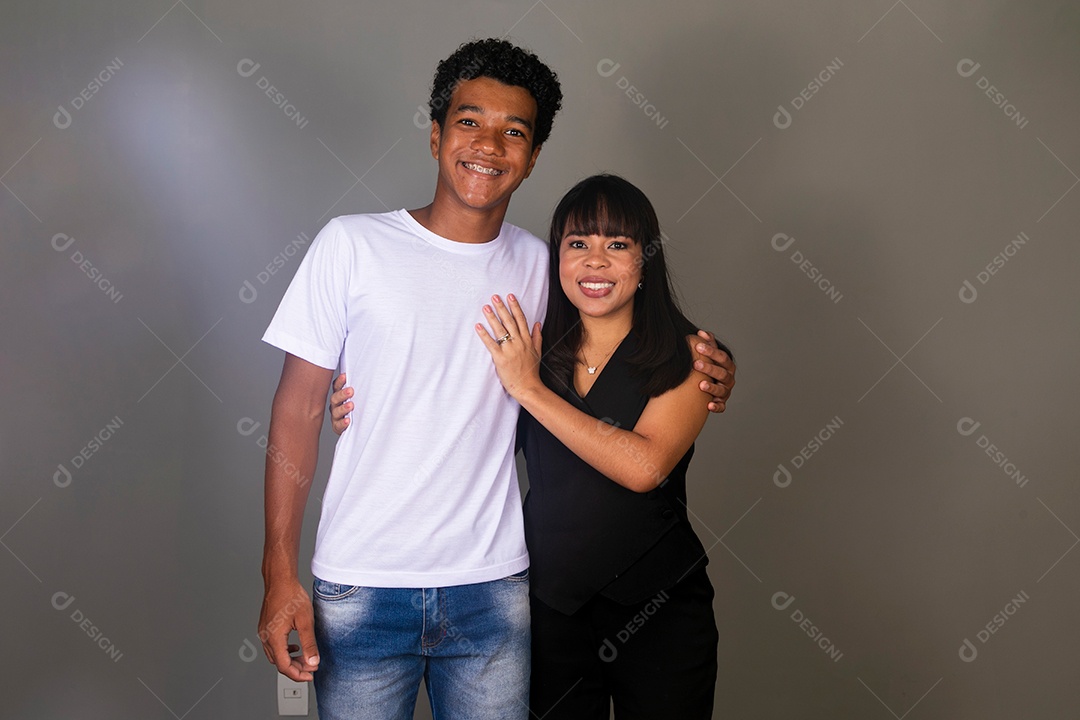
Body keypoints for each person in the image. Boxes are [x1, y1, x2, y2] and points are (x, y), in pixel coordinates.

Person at [260, 38, 735, 720]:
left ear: (533, 156)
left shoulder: (545, 272)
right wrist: (278, 571)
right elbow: (296, 411)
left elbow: (632, 326)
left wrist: (714, 363)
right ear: (435, 135)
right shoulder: (351, 245)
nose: (489, 144)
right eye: (469, 121)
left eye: (514, 131)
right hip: (362, 585)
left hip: (495, 590)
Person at [332, 174, 732, 718]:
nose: (595, 262)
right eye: (578, 244)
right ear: (557, 258)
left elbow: (643, 466)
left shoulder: (687, 356)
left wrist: (527, 388)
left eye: (617, 245)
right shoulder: (538, 345)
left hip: (659, 606)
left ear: (645, 263)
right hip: (549, 607)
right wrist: (356, 402)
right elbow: (447, 404)